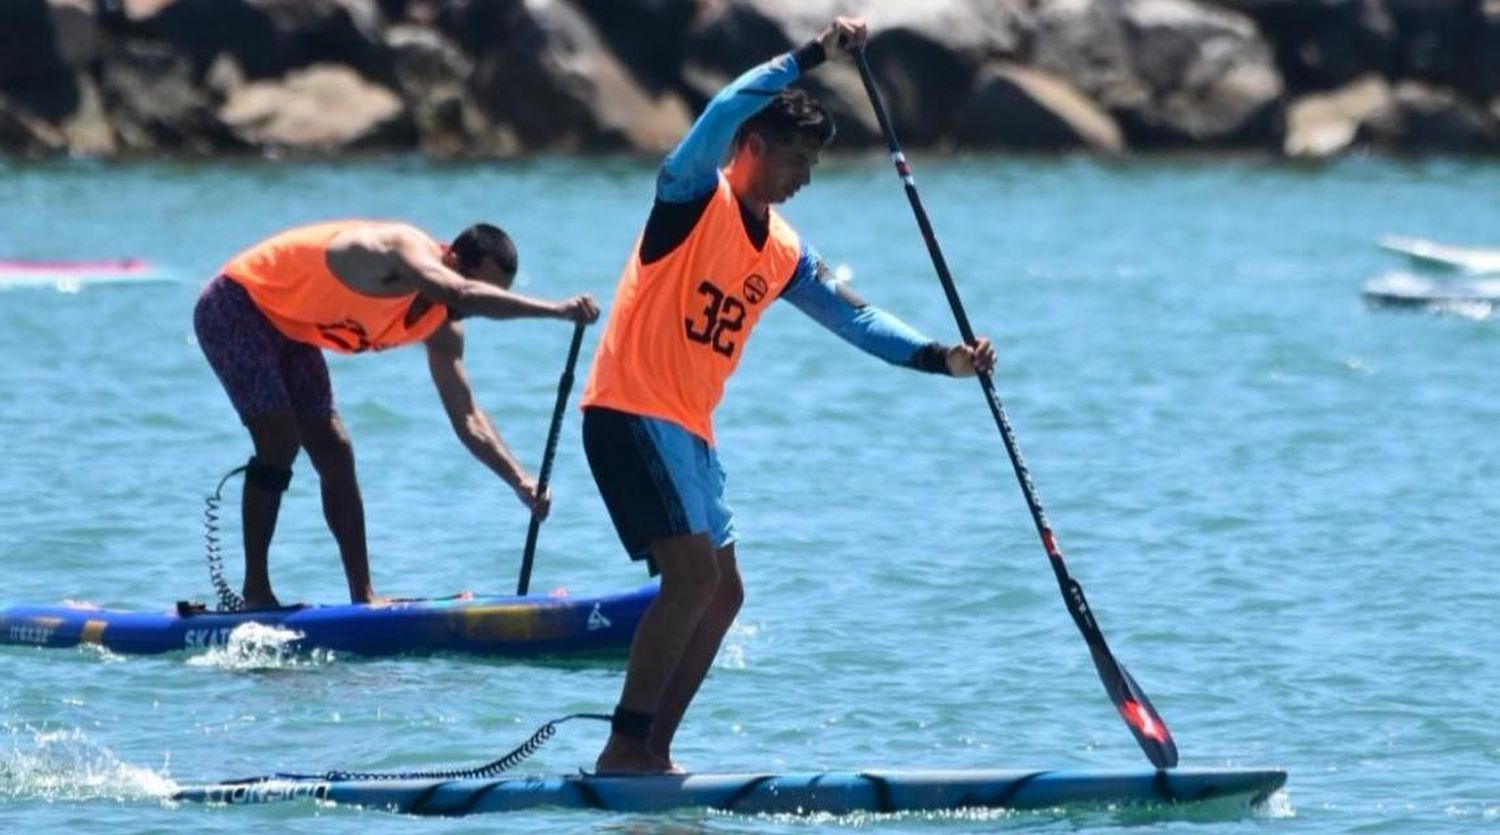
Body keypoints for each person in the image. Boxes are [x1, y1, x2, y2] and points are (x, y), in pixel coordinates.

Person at [579, 17, 998, 774]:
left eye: (813, 164)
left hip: (691, 431)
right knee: (692, 577)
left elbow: (856, 316)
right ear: (752, 148)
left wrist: (943, 359)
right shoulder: (687, 197)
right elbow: (719, 111)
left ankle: (653, 750)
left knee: (724, 591)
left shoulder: (784, 251)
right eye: (795, 160)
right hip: (630, 411)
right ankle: (621, 749)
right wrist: (810, 56)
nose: (803, 178)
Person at [194, 220, 600, 609]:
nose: (471, 312)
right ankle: (256, 593)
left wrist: (521, 482)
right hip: (236, 304)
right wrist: (557, 311)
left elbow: (469, 417)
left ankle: (363, 597)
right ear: (454, 261)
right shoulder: (401, 250)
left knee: (335, 449)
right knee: (279, 440)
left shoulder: (443, 324)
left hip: (292, 326)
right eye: (479, 291)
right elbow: (460, 294)